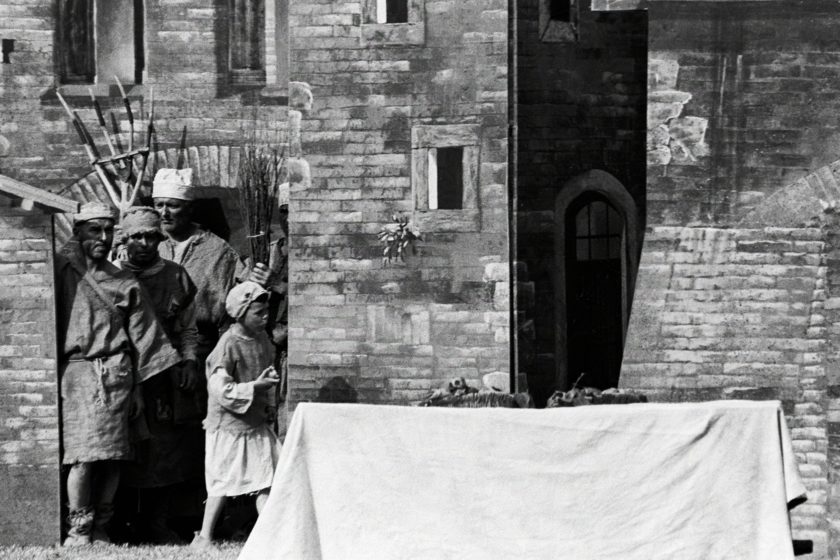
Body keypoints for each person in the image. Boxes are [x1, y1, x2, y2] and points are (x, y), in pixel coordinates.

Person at [55, 202, 181, 546]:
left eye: (109, 230)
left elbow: (144, 337)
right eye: (94, 230)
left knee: (113, 458)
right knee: (82, 457)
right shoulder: (61, 271)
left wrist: (138, 390)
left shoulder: (125, 282)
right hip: (78, 376)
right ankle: (78, 529)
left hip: (119, 375)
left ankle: (102, 526)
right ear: (77, 232)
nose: (104, 237)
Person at [115, 206, 203, 543]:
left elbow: (188, 327)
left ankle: (158, 520)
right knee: (126, 447)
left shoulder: (176, 275)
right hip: (124, 371)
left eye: (151, 236)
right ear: (125, 238)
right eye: (137, 236)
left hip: (165, 373)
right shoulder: (114, 276)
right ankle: (122, 520)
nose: (144, 243)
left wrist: (190, 361)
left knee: (168, 448)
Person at [191, 281, 281, 550]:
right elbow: (220, 389)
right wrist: (253, 387)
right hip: (229, 426)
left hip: (255, 423)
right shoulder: (227, 344)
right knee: (221, 481)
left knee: (270, 477)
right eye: (258, 313)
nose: (265, 318)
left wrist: (267, 402)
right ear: (241, 313)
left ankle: (270, 535)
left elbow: (267, 375)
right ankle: (204, 537)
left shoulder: (263, 339)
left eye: (267, 313)